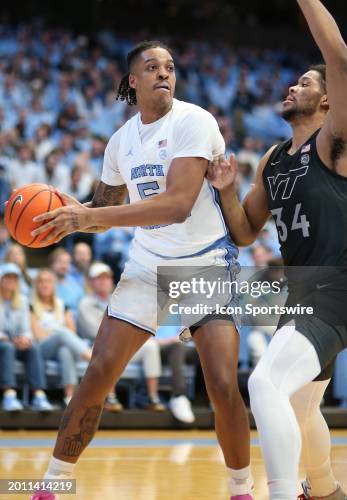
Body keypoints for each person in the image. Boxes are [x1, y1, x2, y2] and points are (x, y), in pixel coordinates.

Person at [29, 40, 252, 500]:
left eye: (170, 66)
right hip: (148, 264)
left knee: (222, 383)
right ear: (133, 80)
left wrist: (88, 218)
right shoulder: (120, 142)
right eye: (152, 67)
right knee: (99, 372)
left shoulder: (195, 121)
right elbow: (104, 207)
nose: (164, 73)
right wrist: (66, 219)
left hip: (207, 263)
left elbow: (175, 205)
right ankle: (52, 484)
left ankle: (241, 489)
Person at [207, 0, 347, 500]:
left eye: (304, 83)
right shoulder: (274, 161)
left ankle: (281, 493)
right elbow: (245, 231)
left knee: (264, 383)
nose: (291, 86)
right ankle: (326, 491)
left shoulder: (338, 142)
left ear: (327, 103)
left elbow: (341, 60)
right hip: (304, 296)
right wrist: (229, 191)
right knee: (301, 409)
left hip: (342, 290)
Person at [77, 261, 165, 413]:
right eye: (99, 278)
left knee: (151, 346)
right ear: (91, 282)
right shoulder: (85, 303)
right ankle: (109, 397)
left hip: (122, 343)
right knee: (110, 347)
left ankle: (152, 397)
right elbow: (94, 331)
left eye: (106, 278)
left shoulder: (120, 300)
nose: (104, 281)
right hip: (95, 347)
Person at [31, 269, 92, 407]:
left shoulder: (62, 305)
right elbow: (39, 336)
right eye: (40, 282)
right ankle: (93, 359)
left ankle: (69, 397)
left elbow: (72, 331)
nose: (44, 285)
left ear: (53, 285)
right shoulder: (31, 306)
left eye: (48, 281)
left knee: (65, 350)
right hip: (42, 350)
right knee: (62, 334)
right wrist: (57, 333)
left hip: (60, 347)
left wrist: (55, 333)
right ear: (36, 285)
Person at [0, 263, 54, 412]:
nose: (11, 281)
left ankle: (39, 395)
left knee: (33, 347)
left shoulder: (22, 300)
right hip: (3, 344)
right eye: (7, 278)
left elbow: (26, 329)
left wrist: (25, 338)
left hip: (13, 343)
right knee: (7, 347)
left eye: (14, 279)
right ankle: (9, 395)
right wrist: (6, 338)